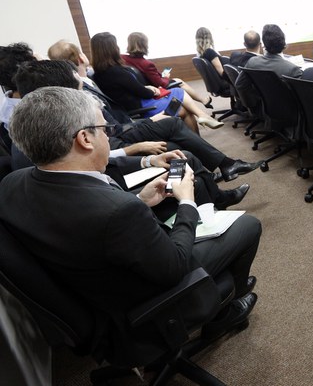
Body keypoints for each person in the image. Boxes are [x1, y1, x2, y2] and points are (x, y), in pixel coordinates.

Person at [0, 86, 262, 338]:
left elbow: (89, 223)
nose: (108, 136)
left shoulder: (12, 183)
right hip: (135, 302)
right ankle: (223, 311)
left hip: (87, 288)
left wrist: (140, 199)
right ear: (85, 138)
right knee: (248, 226)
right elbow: (175, 265)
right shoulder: (118, 211)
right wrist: (186, 202)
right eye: (106, 129)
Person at [17, 56, 258, 182]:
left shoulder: (49, 115)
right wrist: (138, 149)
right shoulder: (63, 122)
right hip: (114, 144)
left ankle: (224, 168)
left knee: (173, 123)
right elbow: (93, 152)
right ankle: (207, 193)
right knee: (177, 151)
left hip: (115, 133)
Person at [91, 32, 223, 131]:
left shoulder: (100, 73)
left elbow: (130, 87)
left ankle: (200, 133)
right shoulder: (116, 71)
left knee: (184, 108)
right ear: (112, 48)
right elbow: (144, 92)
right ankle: (202, 116)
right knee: (178, 91)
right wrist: (151, 89)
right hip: (142, 106)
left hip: (133, 104)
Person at [121, 32, 212, 107]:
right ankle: (203, 100)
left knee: (177, 80)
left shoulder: (123, 59)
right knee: (179, 82)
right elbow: (161, 84)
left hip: (139, 88)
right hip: (153, 89)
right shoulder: (147, 64)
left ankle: (203, 100)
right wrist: (165, 77)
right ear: (144, 45)